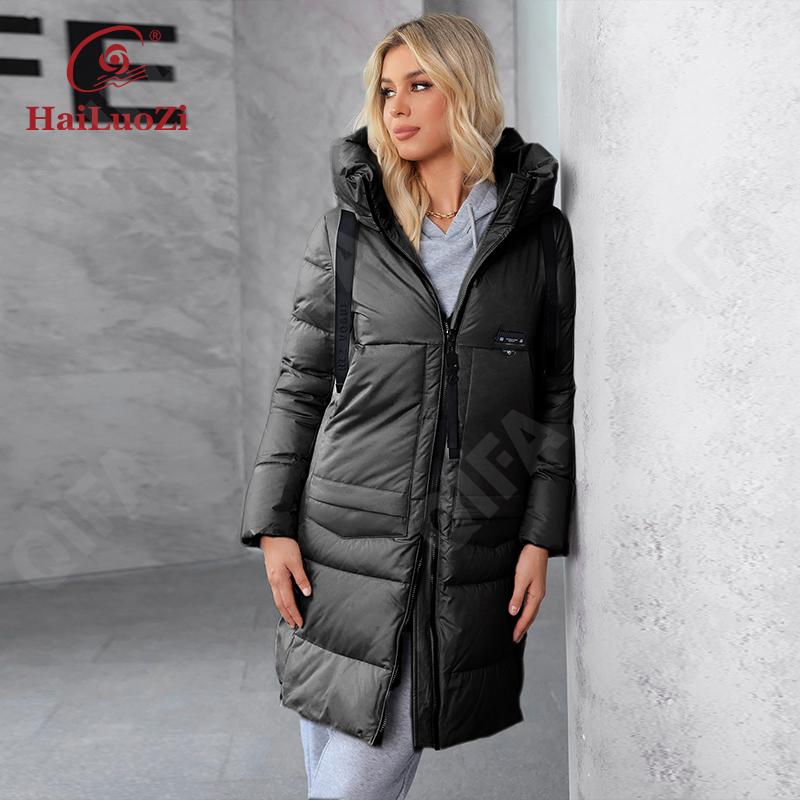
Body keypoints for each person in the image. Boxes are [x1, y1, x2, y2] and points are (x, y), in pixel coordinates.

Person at [239, 12, 577, 800]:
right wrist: (274, 525)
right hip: (338, 535)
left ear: (466, 90)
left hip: (462, 541)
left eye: (419, 85)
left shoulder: (537, 238)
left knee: (354, 780)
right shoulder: (348, 234)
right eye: (387, 90)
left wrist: (539, 536)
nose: (396, 107)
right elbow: (300, 383)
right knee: (334, 759)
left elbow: (554, 398)